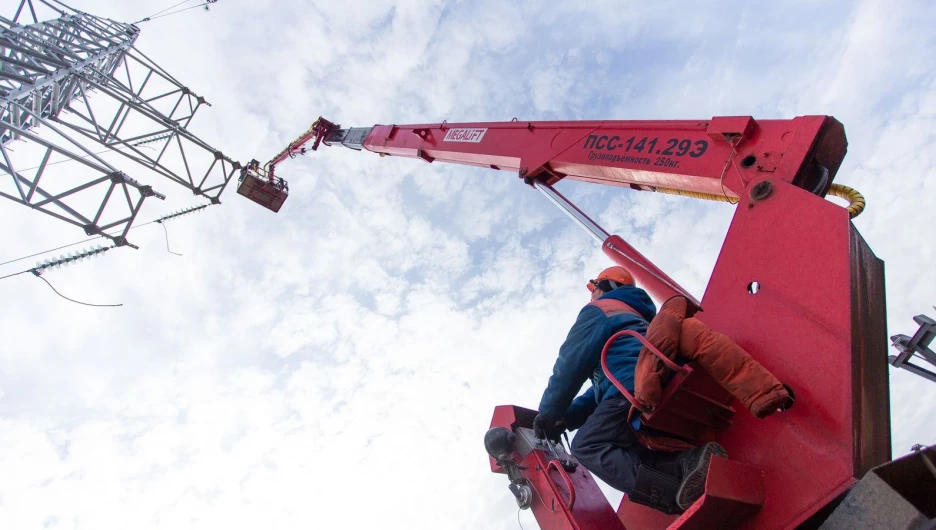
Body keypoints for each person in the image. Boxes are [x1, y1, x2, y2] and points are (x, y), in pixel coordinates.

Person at [532, 266, 727, 514]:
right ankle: (689, 463)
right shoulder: (638, 317)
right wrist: (568, 417)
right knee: (624, 447)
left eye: (594, 287)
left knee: (588, 445)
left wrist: (548, 414)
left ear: (608, 287)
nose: (591, 294)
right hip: (646, 380)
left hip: (631, 387)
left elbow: (570, 365)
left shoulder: (599, 310)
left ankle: (674, 499)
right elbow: (603, 387)